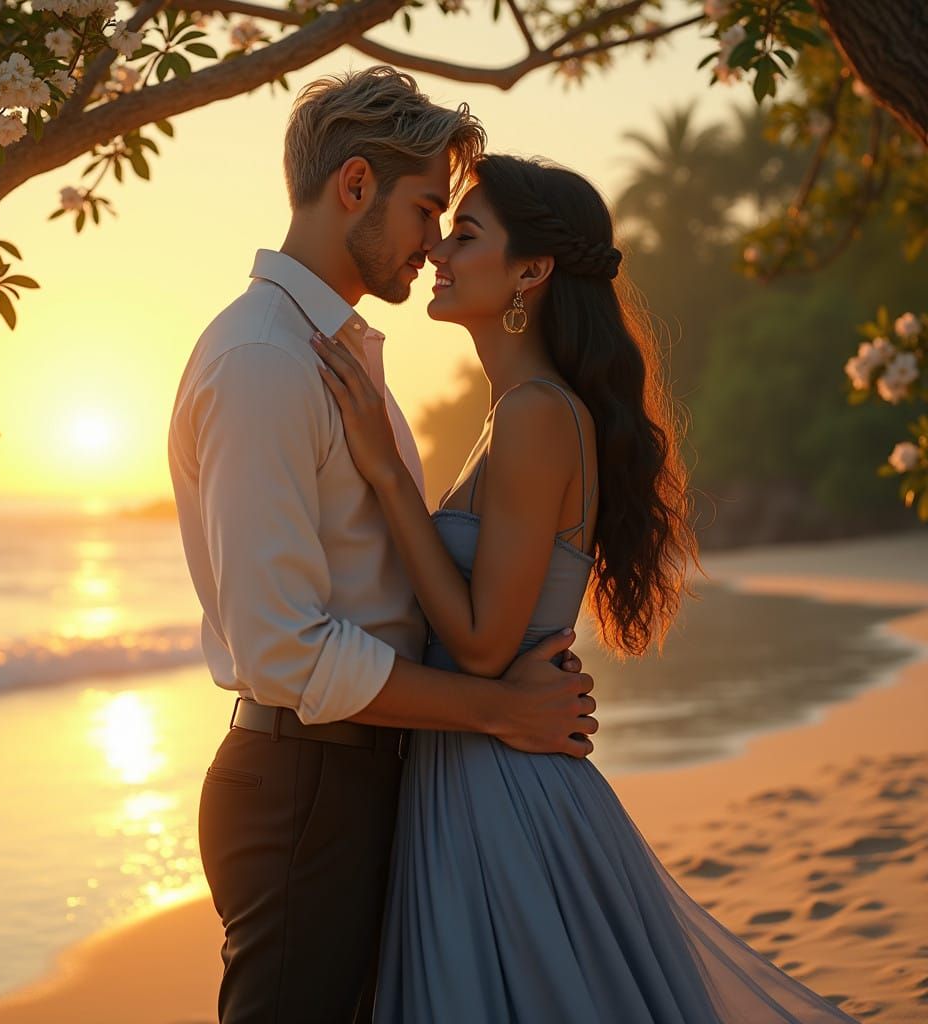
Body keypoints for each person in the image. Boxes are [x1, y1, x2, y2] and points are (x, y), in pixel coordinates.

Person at [313, 154, 862, 1022]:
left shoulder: (536, 414)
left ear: (532, 270)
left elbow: (487, 643)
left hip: (500, 792)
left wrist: (385, 476)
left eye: (465, 233)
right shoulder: (519, 413)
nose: (438, 252)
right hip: (479, 773)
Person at [167, 69, 598, 1023]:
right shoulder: (265, 364)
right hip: (304, 784)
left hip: (357, 774)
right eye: (425, 209)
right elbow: (284, 647)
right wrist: (495, 711)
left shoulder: (334, 354)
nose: (436, 241)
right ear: (353, 186)